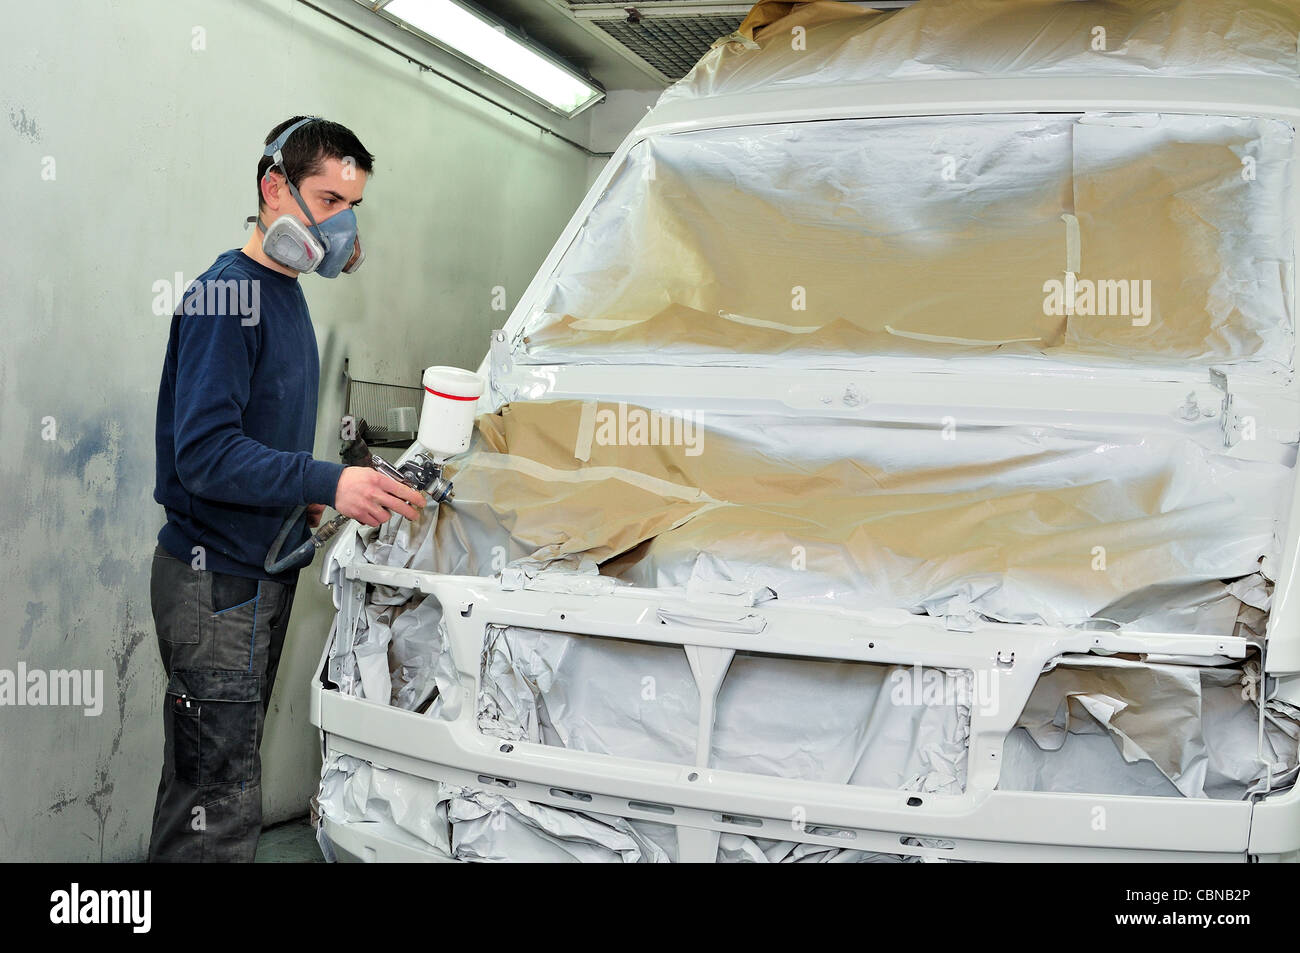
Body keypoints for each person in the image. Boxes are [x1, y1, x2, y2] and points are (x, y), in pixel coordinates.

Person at [148, 115, 425, 862]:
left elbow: (250, 445)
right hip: (216, 588)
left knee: (218, 783)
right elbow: (203, 455)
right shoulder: (225, 297)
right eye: (329, 201)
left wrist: (296, 496)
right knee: (217, 802)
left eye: (352, 206)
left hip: (252, 576)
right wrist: (327, 479)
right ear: (275, 189)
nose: (343, 224)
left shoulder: (283, 291)